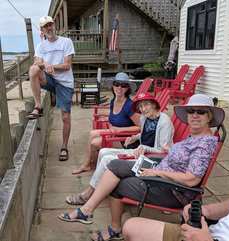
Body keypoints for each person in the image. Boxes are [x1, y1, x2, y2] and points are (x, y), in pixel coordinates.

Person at [122, 94, 229, 241]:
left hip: (203, 232)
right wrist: (207, 211)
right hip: (211, 231)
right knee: (131, 226)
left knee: (119, 183)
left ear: (209, 117)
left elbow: (192, 178)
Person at [58, 94, 225, 241]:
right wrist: (170, 151)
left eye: (201, 112)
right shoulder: (195, 136)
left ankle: (113, 228)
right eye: (191, 111)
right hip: (159, 169)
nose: (195, 115)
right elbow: (183, 158)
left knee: (116, 184)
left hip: (172, 190)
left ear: (209, 117)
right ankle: (87, 211)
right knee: (115, 164)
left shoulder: (204, 143)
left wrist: (156, 171)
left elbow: (192, 179)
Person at [66, 92, 174, 205]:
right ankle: (102, 187)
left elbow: (163, 151)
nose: (143, 109)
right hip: (140, 153)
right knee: (103, 151)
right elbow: (145, 134)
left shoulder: (164, 121)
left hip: (152, 162)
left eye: (146, 104)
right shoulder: (144, 118)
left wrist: (145, 148)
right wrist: (134, 137)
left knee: (108, 159)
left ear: (154, 104)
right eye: (140, 106)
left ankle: (88, 194)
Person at [71, 72, 140, 174]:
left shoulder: (129, 105)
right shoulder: (114, 100)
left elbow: (140, 127)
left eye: (123, 85)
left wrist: (120, 129)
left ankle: (89, 165)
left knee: (94, 143)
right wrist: (111, 124)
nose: (119, 88)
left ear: (127, 88)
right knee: (92, 134)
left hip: (126, 140)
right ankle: (87, 164)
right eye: (117, 84)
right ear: (113, 86)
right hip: (115, 133)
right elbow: (115, 116)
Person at [27, 16, 75, 161]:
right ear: (42, 30)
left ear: (54, 25)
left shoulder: (66, 42)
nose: (49, 28)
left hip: (65, 83)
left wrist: (51, 66)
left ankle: (64, 147)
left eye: (50, 25)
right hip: (49, 79)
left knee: (65, 117)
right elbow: (37, 62)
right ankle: (38, 106)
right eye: (45, 26)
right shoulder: (41, 46)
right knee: (33, 69)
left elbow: (67, 65)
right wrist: (43, 65)